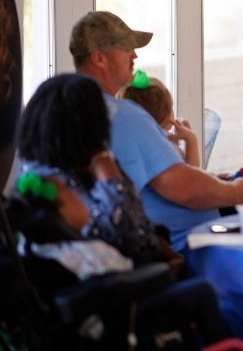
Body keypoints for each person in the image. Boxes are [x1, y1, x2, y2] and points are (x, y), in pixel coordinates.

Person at [69, 11, 243, 252]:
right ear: (99, 58)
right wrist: (237, 192)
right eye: (125, 47)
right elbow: (183, 188)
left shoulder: (69, 108)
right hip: (177, 251)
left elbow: (160, 177)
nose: (135, 54)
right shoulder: (123, 115)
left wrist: (215, 182)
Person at [10, 172, 231, 347]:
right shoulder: (85, 251)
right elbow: (128, 270)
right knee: (201, 289)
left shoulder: (34, 250)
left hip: (97, 318)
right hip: (124, 315)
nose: (82, 201)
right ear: (60, 213)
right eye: (73, 197)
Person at [17, 73, 171, 267]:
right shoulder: (53, 182)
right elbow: (127, 235)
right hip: (114, 284)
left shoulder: (49, 168)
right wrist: (103, 161)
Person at [118, 70, 201, 168]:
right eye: (171, 108)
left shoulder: (130, 144)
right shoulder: (167, 148)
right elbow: (193, 177)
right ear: (166, 116)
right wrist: (190, 139)